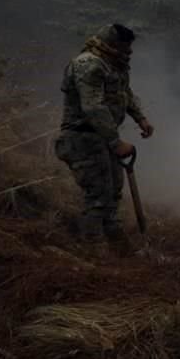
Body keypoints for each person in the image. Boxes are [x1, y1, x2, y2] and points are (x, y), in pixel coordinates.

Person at [55, 23, 154, 247]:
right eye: (125, 46)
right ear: (112, 44)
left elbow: (124, 93)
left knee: (113, 195)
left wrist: (141, 118)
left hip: (102, 138)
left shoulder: (113, 65)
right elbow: (93, 107)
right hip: (83, 138)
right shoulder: (88, 64)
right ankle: (92, 252)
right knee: (98, 196)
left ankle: (119, 251)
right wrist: (115, 141)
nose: (129, 52)